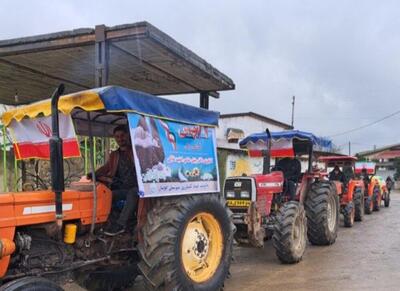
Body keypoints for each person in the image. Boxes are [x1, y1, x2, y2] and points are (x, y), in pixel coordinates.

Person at [88, 125, 139, 236]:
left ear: (128, 136)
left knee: (133, 193)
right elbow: (106, 167)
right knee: (107, 195)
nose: (120, 139)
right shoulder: (115, 155)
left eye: (122, 136)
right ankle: (105, 222)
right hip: (123, 188)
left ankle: (120, 225)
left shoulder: (136, 152)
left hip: (138, 189)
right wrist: (93, 174)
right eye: (117, 137)